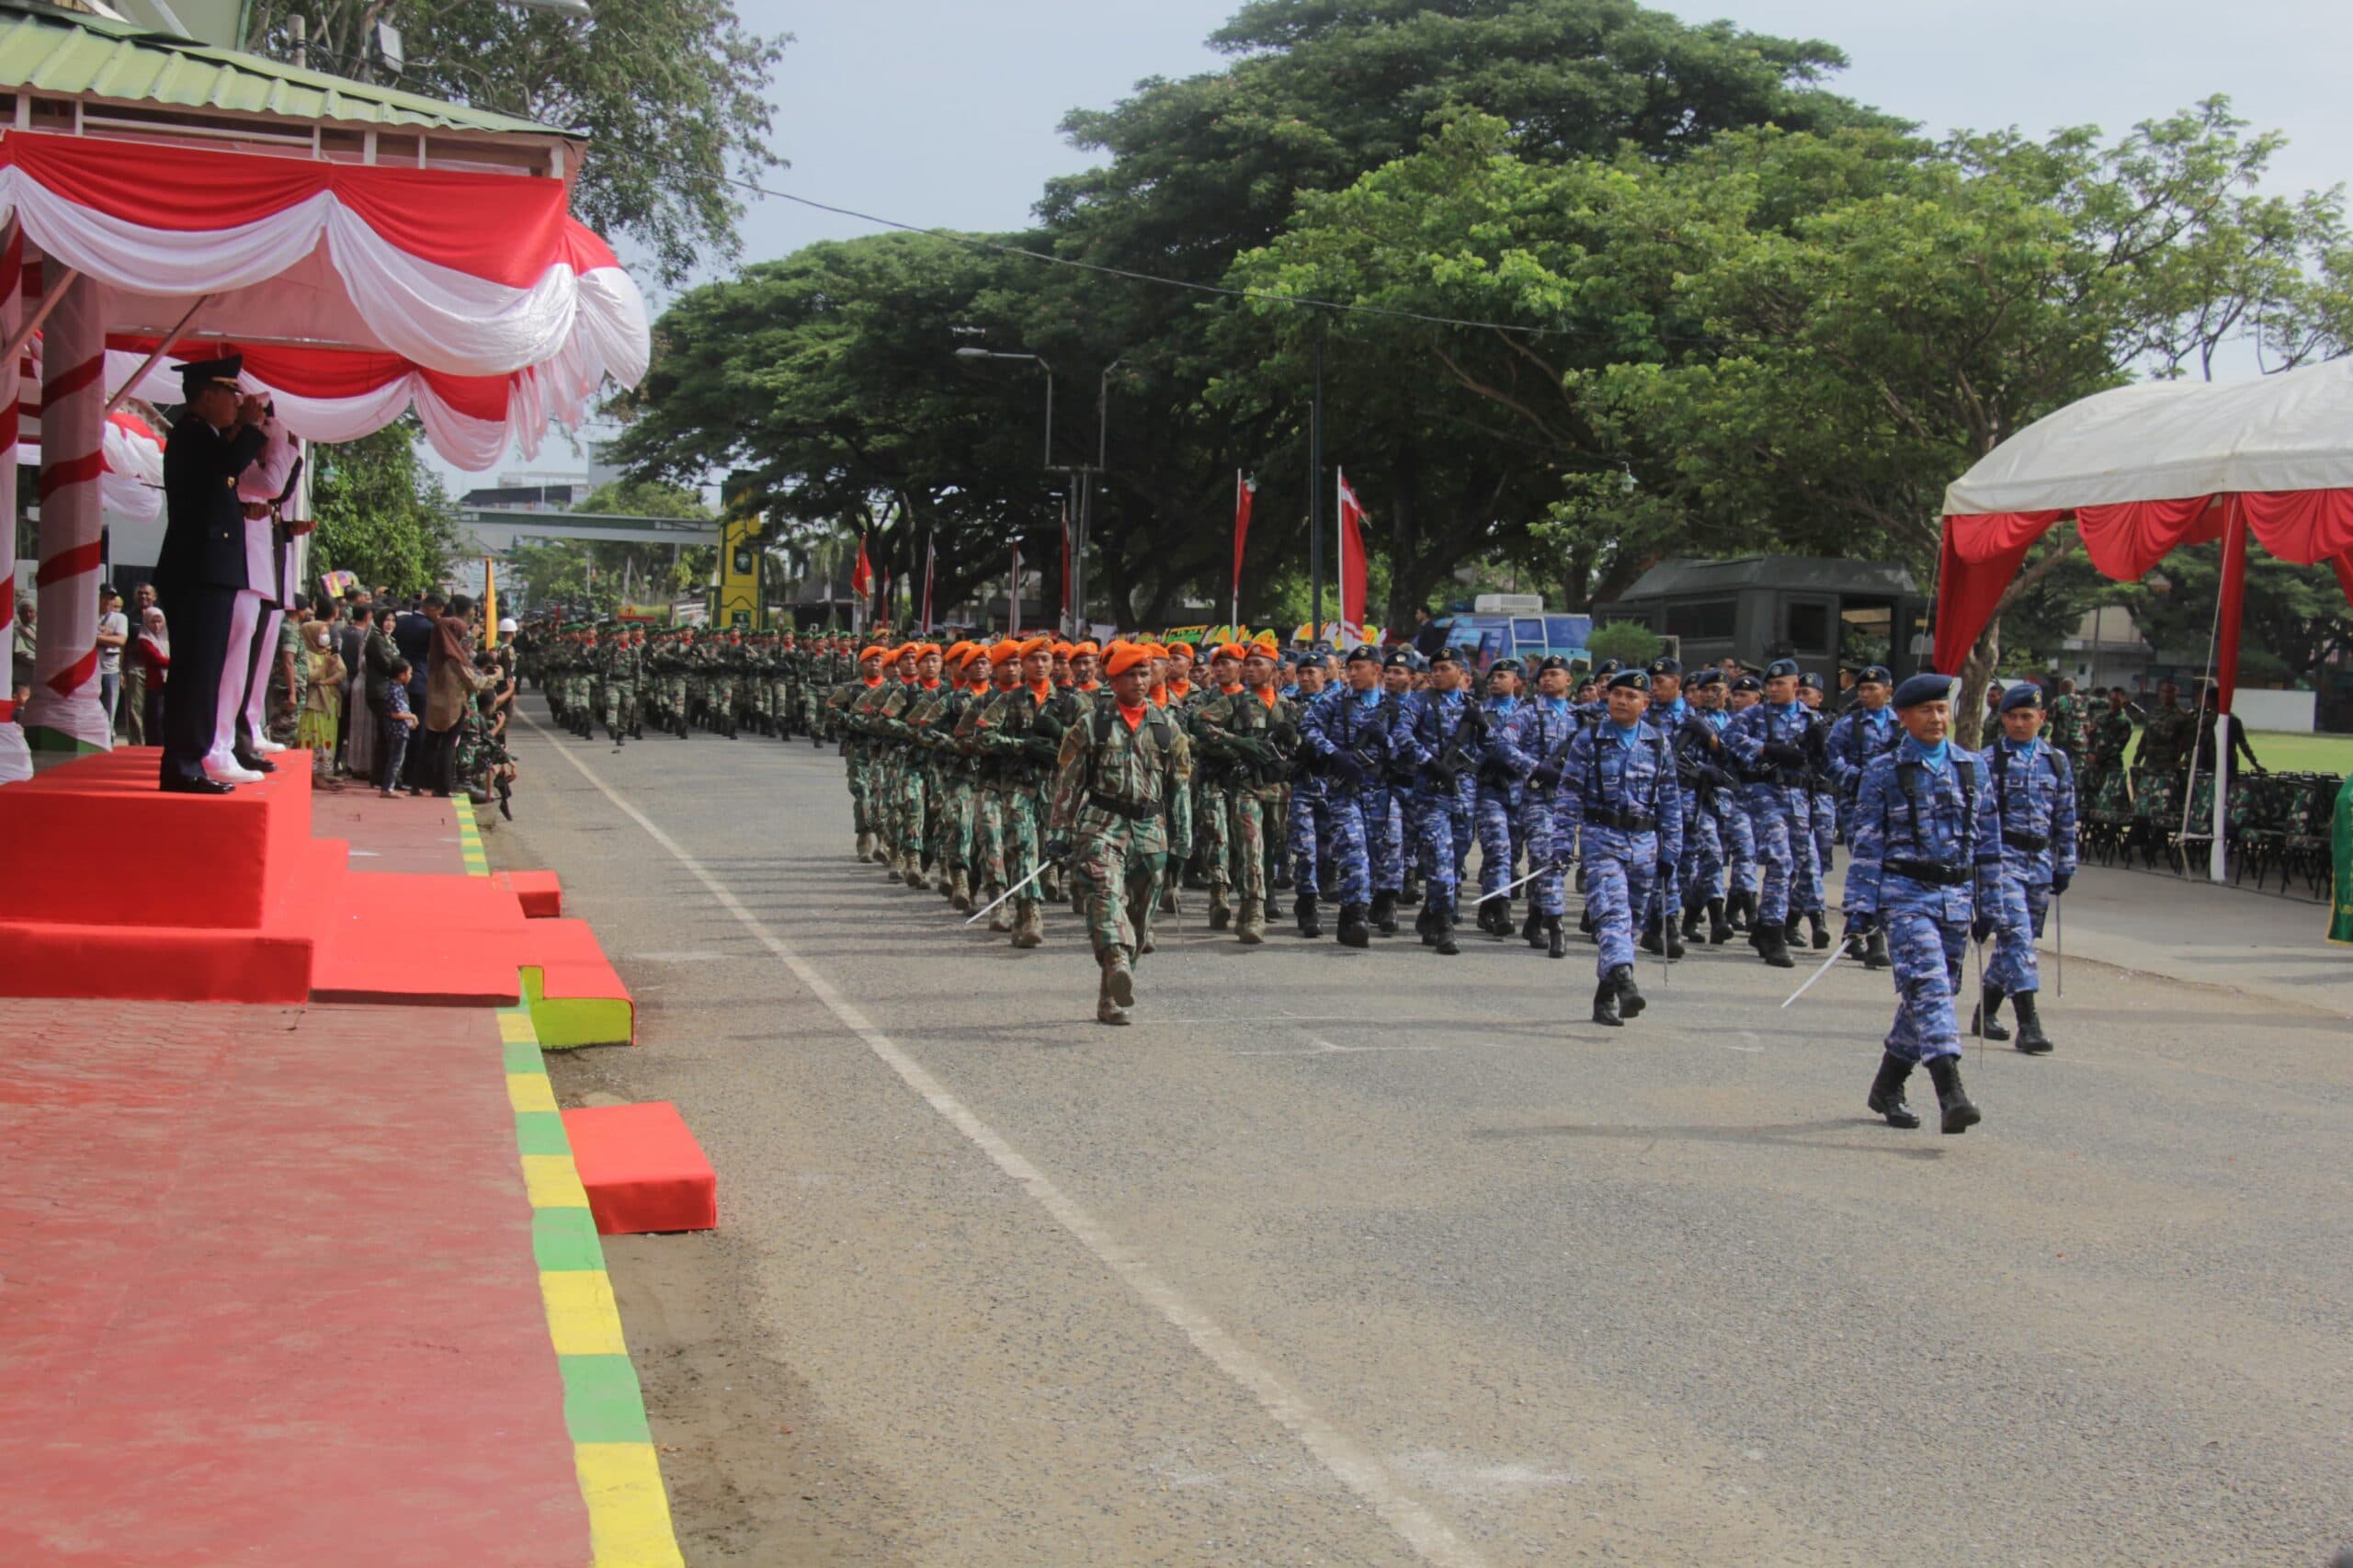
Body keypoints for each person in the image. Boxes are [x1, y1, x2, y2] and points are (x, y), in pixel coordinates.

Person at [1844, 672, 2000, 1134]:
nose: (1936, 718)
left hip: (1955, 898)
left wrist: (1988, 901)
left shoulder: (1971, 767)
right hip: (1905, 896)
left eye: (1941, 709)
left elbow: (1988, 842)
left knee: (1929, 994)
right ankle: (1950, 1091)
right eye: (1926, 711)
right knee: (1930, 987)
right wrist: (1860, 909)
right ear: (1903, 718)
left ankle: (1887, 1085)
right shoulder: (1884, 770)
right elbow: (1867, 842)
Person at [1046, 642, 1192, 1025]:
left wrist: (1182, 842)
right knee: (1107, 896)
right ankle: (1114, 960)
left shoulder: (1166, 726)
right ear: (1113, 680)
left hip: (1150, 830)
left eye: (1145, 674)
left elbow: (1179, 788)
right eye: (1131, 675)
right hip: (1102, 825)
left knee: (1140, 920)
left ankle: (1111, 994)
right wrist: (1059, 831)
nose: (1140, 681)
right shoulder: (1092, 724)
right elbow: (1069, 783)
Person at [153, 355, 268, 792]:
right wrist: (251, 431)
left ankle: (190, 760)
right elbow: (226, 465)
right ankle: (183, 764)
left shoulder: (204, 436)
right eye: (231, 394)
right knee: (195, 673)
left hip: (208, 572)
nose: (237, 404)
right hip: (197, 572)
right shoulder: (192, 434)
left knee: (204, 672)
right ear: (207, 395)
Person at [1558, 668, 1683, 1026]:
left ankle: (1605, 996)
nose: (1622, 701)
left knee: (1630, 924)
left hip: (1644, 845)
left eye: (1631, 696)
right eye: (1616, 694)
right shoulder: (1589, 739)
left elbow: (1671, 802)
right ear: (1606, 698)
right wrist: (1562, 844)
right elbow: (1568, 795)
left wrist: (1671, 852)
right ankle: (1626, 982)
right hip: (1602, 839)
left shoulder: (1658, 742)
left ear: (1645, 703)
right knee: (1612, 914)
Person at [1974, 683, 2075, 1053]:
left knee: (2017, 943)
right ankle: (2029, 1024)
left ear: (2042, 718)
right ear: (2003, 719)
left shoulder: (2056, 761)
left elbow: (2065, 816)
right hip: (2003, 859)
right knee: (2016, 938)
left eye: (2027, 717)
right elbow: (1977, 819)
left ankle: (1984, 1010)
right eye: (2013, 717)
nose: (2019, 724)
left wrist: (2066, 864)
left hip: (2040, 862)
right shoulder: (1988, 761)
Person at [418, 597, 500, 796]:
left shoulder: (436, 654)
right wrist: (495, 677)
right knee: (448, 745)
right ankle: (443, 787)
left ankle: (419, 783)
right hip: (453, 705)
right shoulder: (455, 660)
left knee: (430, 742)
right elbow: (474, 681)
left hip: (434, 702)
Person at [296, 618, 346, 780]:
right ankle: (310, 774)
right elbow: (310, 676)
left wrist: (324, 681)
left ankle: (323, 773)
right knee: (313, 736)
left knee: (327, 737)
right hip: (314, 702)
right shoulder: (306, 654)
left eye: (326, 633)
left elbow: (341, 673)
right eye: (322, 633)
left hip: (330, 701)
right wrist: (325, 667)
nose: (325, 636)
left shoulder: (329, 652)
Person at [128, 607, 170, 744]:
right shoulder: (144, 639)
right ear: (146, 622)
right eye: (153, 622)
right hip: (155, 683)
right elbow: (156, 659)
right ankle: (155, 744)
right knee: (155, 716)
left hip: (170, 683)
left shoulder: (167, 638)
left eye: (159, 621)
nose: (156, 625)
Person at [378, 657, 418, 796]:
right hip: (397, 730)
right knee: (396, 759)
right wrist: (412, 717)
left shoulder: (396, 687)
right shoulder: (394, 689)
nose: (411, 676)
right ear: (402, 675)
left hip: (400, 728)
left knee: (396, 758)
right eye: (409, 673)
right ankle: (387, 788)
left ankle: (389, 786)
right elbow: (395, 713)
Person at [96, 585, 129, 736]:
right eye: (104, 597)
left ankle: (109, 738)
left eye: (111, 598)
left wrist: (96, 638)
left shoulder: (119, 618)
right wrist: (108, 638)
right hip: (91, 670)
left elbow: (121, 640)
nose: (107, 601)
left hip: (110, 670)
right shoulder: (89, 616)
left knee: (109, 710)